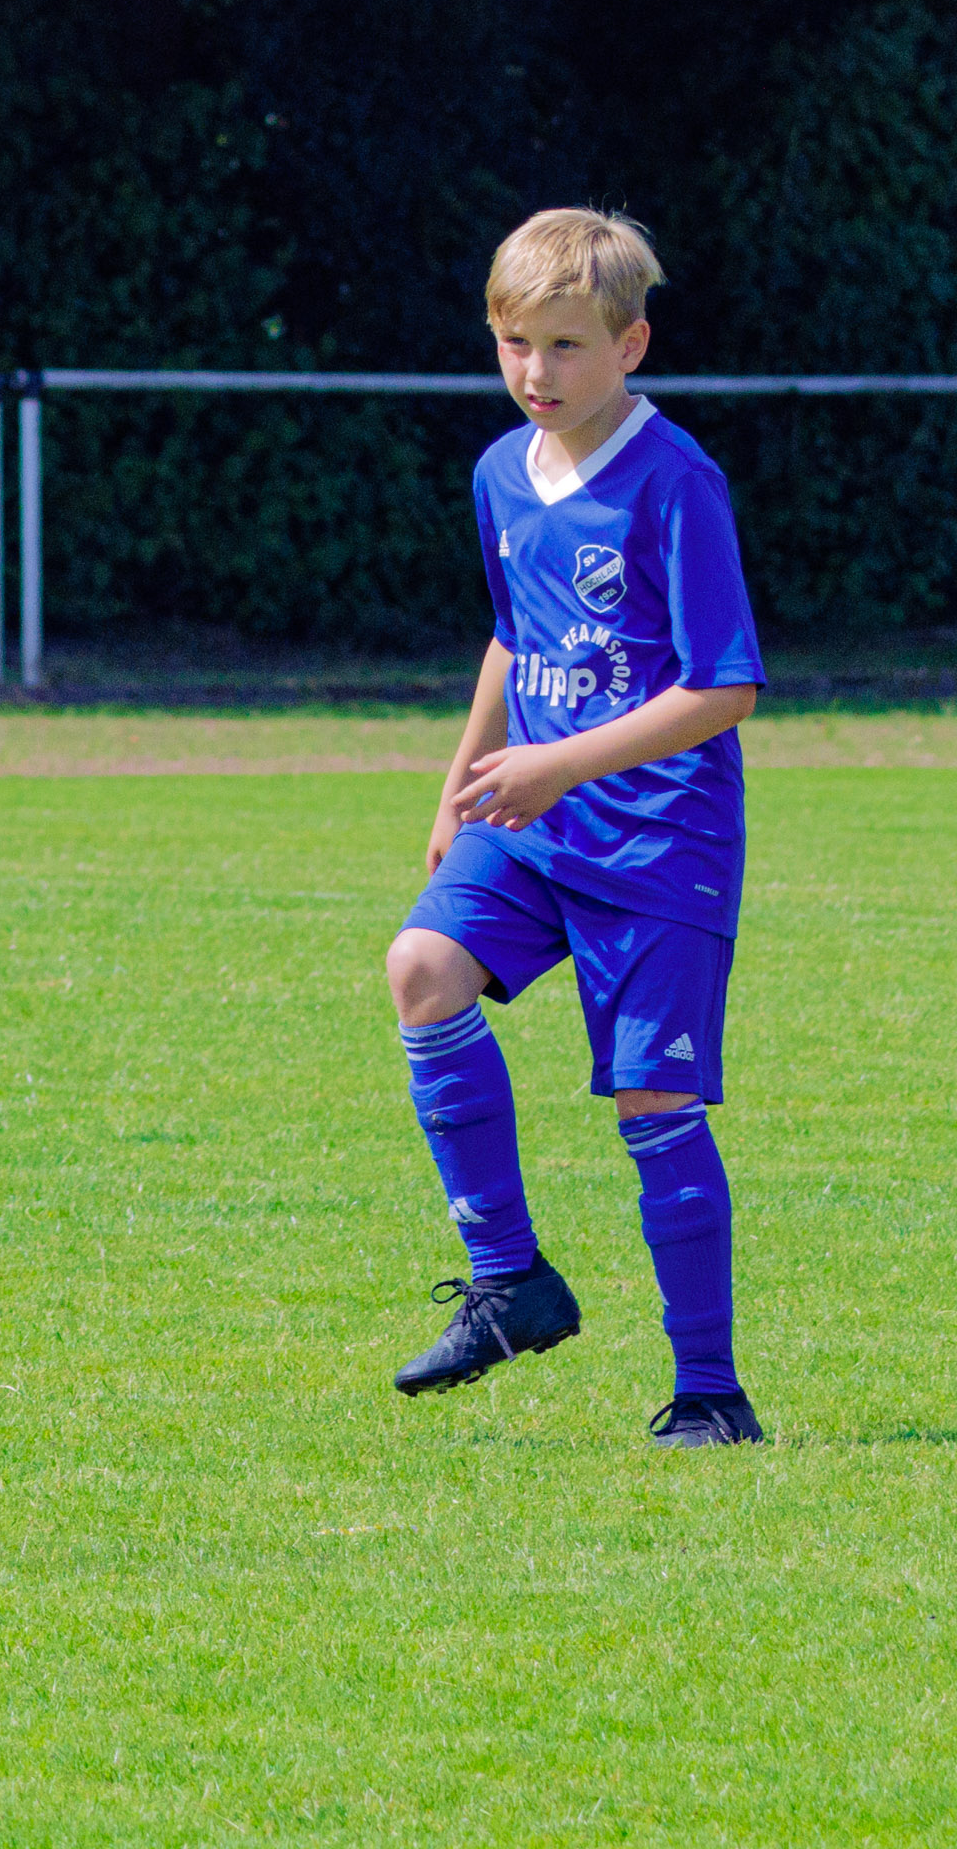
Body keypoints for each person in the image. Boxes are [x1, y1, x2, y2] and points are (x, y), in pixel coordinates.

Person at [384, 209, 768, 1447]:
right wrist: (460, 782)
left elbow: (724, 687)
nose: (535, 371)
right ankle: (512, 1280)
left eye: (565, 345)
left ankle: (709, 1391)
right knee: (422, 967)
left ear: (631, 345)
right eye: (514, 343)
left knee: (654, 1100)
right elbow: (515, 634)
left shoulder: (676, 481)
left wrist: (558, 764)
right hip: (533, 819)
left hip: (660, 836)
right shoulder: (502, 472)